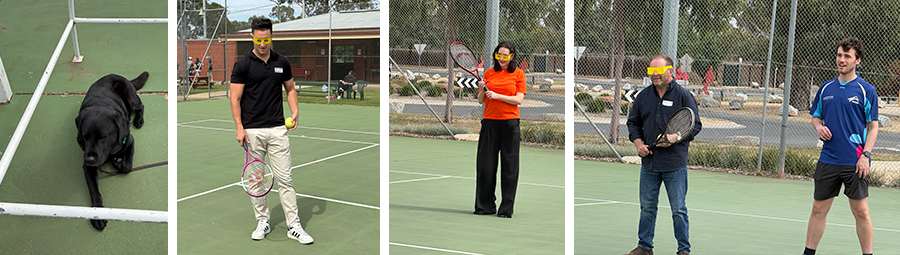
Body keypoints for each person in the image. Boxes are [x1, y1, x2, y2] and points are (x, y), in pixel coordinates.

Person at [229, 18, 313, 244]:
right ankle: (262, 221)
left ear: (272, 37)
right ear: (252, 37)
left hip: (278, 129)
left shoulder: (281, 62)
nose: (262, 44)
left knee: (285, 179)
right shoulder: (243, 65)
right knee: (257, 180)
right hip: (252, 132)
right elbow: (235, 99)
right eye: (258, 40)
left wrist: (295, 110)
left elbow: (290, 89)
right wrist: (239, 128)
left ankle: (294, 225)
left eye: (266, 40)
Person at [803, 37, 877, 255]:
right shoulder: (826, 88)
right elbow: (816, 117)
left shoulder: (866, 90)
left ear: (857, 60)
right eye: (839, 55)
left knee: (861, 211)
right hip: (828, 158)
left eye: (847, 56)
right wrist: (819, 127)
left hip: (855, 161)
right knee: (818, 208)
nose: (841, 60)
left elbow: (873, 126)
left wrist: (866, 155)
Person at [624, 54, 701, 255]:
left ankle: (683, 250)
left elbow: (695, 125)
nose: (655, 74)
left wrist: (675, 137)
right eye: (651, 70)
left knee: (678, 210)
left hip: (674, 164)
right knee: (647, 207)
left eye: (659, 70)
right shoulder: (643, 97)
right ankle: (644, 248)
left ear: (670, 71)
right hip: (649, 163)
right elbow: (633, 123)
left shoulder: (683, 96)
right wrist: (639, 144)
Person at [473, 41, 526, 219]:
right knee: (485, 166)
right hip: (489, 123)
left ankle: (506, 209)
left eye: (505, 56)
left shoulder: (518, 74)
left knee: (509, 167)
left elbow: (518, 100)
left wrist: (497, 96)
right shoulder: (489, 73)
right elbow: (481, 100)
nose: (501, 59)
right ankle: (484, 206)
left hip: (510, 124)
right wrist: (482, 89)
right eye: (498, 55)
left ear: (512, 56)